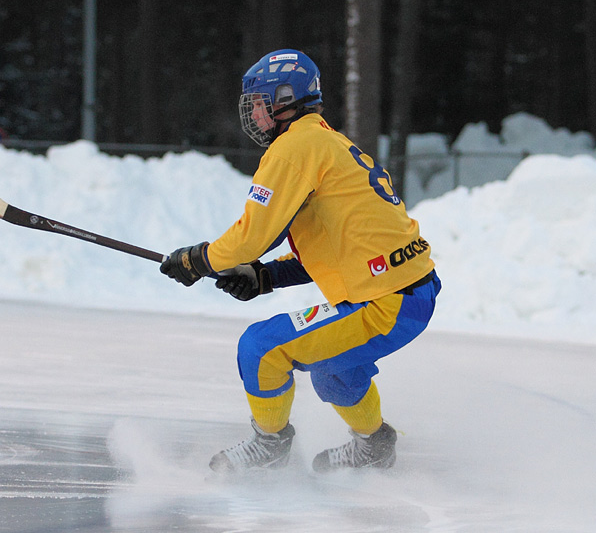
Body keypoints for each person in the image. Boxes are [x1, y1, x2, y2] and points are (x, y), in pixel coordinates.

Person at [160, 49, 440, 473]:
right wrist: (266, 276)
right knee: (332, 369)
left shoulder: (294, 148)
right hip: (406, 294)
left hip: (387, 302)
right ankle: (375, 444)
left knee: (261, 348)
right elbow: (339, 248)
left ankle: (268, 446)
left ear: (284, 99)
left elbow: (252, 236)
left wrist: (197, 260)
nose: (252, 113)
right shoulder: (324, 140)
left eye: (257, 102)